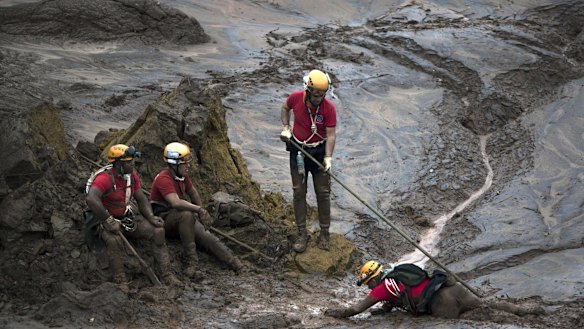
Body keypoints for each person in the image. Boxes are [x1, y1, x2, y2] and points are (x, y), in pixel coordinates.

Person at [86, 144, 181, 291]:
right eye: (130, 162)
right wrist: (108, 220)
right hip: (104, 218)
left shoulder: (131, 177)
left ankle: (166, 274)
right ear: (119, 163)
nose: (133, 165)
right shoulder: (104, 178)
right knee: (114, 240)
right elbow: (92, 199)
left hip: (125, 217)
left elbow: (141, 199)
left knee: (157, 231)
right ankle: (121, 280)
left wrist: (150, 217)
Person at [324, 260, 545, 319]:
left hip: (439, 303)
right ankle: (525, 310)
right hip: (450, 288)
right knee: (484, 306)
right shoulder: (397, 271)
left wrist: (334, 312)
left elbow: (355, 309)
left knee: (476, 319)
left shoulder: (381, 289)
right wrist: (386, 309)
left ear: (372, 280)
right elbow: (399, 295)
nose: (369, 288)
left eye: (367, 283)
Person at [149, 142, 244, 277]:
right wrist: (199, 210)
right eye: (184, 163)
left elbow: (193, 193)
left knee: (207, 236)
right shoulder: (163, 179)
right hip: (164, 219)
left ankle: (235, 264)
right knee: (187, 215)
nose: (188, 166)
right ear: (174, 164)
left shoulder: (182, 176)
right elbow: (175, 203)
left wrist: (201, 212)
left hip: (179, 217)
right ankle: (191, 260)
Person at [279, 69, 337, 252]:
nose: (318, 99)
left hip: (318, 153)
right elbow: (285, 107)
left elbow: (331, 135)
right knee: (298, 192)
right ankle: (302, 233)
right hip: (298, 151)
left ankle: (325, 233)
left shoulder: (329, 108)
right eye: (315, 95)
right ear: (308, 90)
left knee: (323, 192)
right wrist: (286, 127)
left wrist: (328, 157)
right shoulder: (296, 98)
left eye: (322, 95)